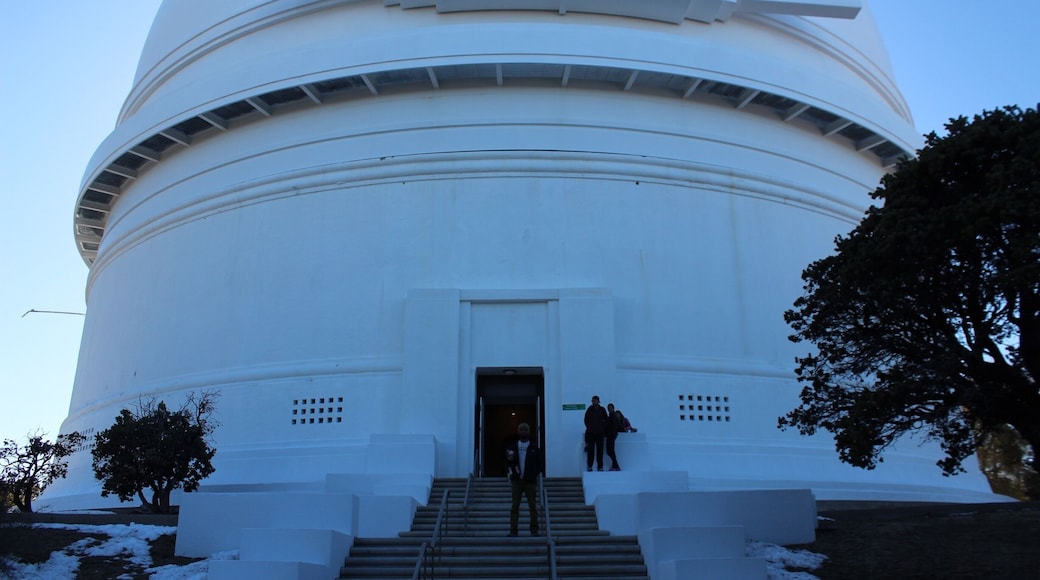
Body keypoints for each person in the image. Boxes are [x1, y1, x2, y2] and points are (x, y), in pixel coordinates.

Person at [505, 422, 542, 537]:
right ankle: (513, 530)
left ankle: (534, 530)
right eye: (521, 430)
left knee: (533, 507)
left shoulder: (534, 448)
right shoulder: (512, 448)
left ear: (529, 432)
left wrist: (533, 474)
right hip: (517, 481)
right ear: (518, 432)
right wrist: (512, 473)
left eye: (525, 430)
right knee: (515, 506)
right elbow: (507, 462)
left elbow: (539, 463)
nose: (523, 432)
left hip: (530, 481)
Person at [584, 395, 608, 471]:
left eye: (595, 400)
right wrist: (589, 427)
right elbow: (586, 419)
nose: (594, 401)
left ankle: (600, 467)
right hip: (591, 433)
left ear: (598, 401)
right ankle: (590, 466)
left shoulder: (602, 409)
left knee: (600, 451)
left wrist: (602, 428)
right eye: (593, 400)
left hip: (600, 434)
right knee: (591, 451)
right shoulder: (589, 409)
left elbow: (606, 420)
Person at [605, 403, 621, 471]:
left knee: (610, 451)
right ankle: (615, 465)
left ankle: (615, 465)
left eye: (610, 407)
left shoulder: (613, 416)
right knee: (610, 451)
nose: (609, 409)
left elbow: (614, 426)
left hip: (611, 435)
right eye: (608, 408)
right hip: (611, 435)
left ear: (613, 408)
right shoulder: (611, 416)